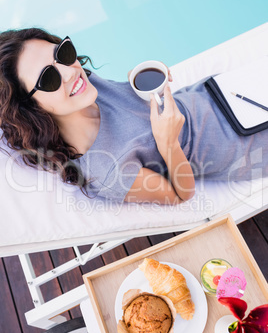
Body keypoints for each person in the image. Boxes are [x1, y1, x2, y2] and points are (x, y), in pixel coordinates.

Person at [0, 28, 267, 205]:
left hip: (220, 92)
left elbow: (125, 104)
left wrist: (137, 80)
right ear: (30, 109)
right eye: (48, 78)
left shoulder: (84, 89)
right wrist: (169, 143)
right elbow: (180, 194)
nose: (70, 71)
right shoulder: (107, 169)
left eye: (62, 53)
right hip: (242, 143)